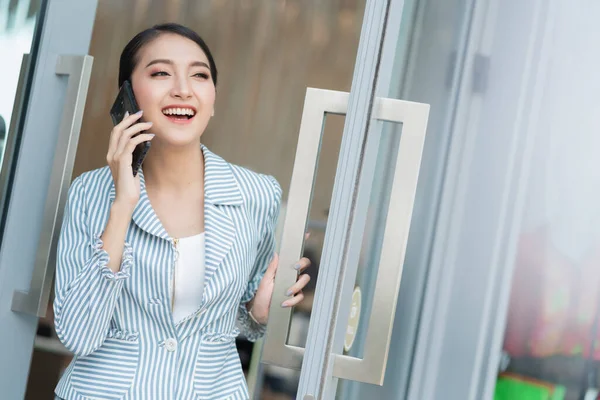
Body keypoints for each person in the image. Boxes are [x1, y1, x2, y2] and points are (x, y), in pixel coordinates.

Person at [52, 23, 310, 400]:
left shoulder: (257, 194)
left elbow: (240, 324)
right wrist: (122, 203)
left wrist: (258, 310)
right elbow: (79, 334)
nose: (183, 89)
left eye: (199, 76)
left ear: (213, 99)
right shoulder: (90, 193)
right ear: (127, 95)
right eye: (160, 73)